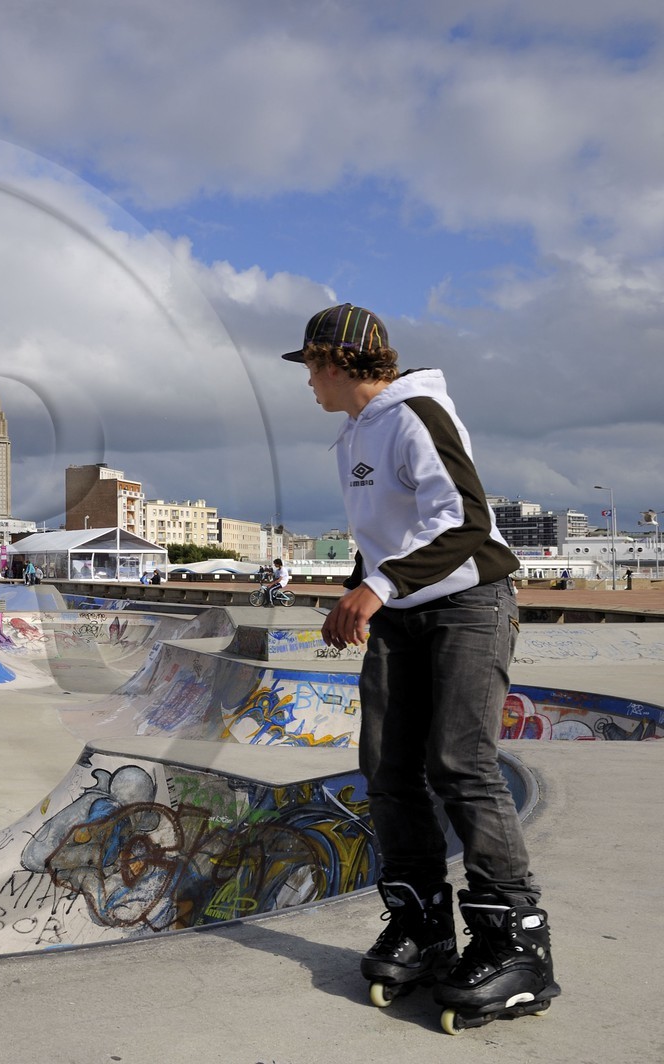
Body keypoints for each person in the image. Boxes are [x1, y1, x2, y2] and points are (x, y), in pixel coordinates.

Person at [283, 303, 556, 1020]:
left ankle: (515, 943)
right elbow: (387, 534)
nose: (307, 383)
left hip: (468, 605)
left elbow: (463, 521)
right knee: (391, 770)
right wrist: (360, 587)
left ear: (335, 363)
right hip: (404, 614)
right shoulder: (352, 437)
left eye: (309, 368)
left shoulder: (417, 413)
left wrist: (375, 588)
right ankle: (423, 923)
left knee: (460, 765)